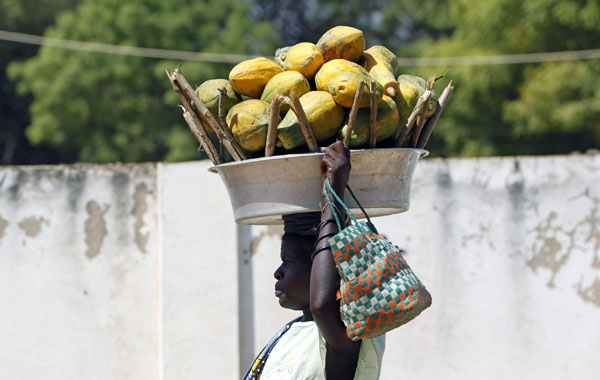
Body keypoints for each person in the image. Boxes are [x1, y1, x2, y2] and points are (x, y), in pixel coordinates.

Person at [243, 141, 385, 380]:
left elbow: (322, 306)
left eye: (288, 260)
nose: (278, 272)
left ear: (325, 266)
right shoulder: (291, 334)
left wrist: (334, 190)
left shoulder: (353, 333)